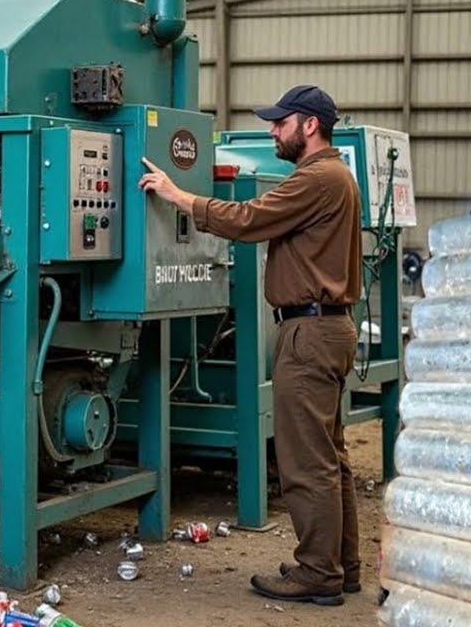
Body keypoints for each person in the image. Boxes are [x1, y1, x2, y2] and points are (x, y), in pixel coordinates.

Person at [139, 85, 363, 607]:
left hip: (309, 333)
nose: (272, 131)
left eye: (280, 123)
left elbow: (248, 220)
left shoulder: (317, 178)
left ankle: (317, 573)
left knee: (306, 462)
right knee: (329, 456)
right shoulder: (335, 178)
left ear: (309, 125)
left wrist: (179, 195)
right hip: (326, 328)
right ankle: (339, 566)